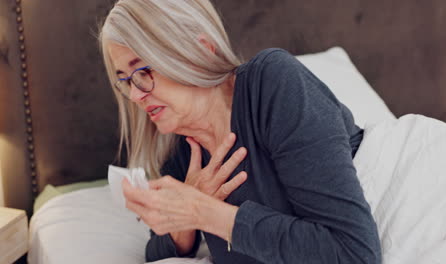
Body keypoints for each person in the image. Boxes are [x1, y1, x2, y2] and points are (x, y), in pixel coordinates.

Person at [99, 0, 382, 263]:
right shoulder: (182, 152)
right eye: (125, 81)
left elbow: (354, 253)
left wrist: (203, 212)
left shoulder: (273, 84)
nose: (135, 96)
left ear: (198, 53)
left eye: (143, 73)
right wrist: (182, 217)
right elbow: (157, 252)